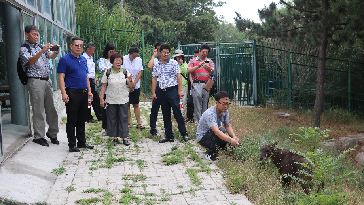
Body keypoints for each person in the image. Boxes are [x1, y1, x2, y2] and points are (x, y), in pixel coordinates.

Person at [19, 25, 60, 147]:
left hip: (47, 81)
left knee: (51, 108)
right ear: (26, 34)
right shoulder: (24, 49)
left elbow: (51, 56)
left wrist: (56, 51)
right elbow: (31, 61)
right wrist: (42, 51)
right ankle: (39, 136)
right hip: (35, 81)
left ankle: (53, 133)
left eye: (37, 34)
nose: (36, 37)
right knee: (38, 109)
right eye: (33, 34)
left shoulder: (40, 46)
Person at [58, 37, 94, 152]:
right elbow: (61, 77)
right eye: (77, 45)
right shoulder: (65, 60)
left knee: (82, 119)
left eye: (81, 45)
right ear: (71, 46)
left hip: (84, 93)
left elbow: (86, 76)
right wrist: (64, 93)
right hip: (72, 93)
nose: (79, 47)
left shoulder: (83, 59)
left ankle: (81, 142)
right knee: (72, 120)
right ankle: (72, 144)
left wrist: (89, 91)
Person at [152, 44, 189, 143]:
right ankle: (169, 135)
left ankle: (184, 134)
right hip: (162, 91)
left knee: (177, 112)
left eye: (168, 52)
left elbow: (179, 76)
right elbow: (154, 78)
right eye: (164, 52)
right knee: (165, 114)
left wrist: (180, 90)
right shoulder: (157, 64)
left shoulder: (173, 63)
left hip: (172, 91)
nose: (166, 54)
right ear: (160, 52)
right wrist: (153, 92)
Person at [100, 53, 134, 146]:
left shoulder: (125, 72)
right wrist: (101, 98)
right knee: (112, 118)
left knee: (123, 118)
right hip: (111, 99)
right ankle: (115, 137)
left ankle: (125, 138)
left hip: (123, 98)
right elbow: (103, 86)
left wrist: (130, 80)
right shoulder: (107, 72)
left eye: (120, 60)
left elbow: (132, 86)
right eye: (116, 60)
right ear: (112, 62)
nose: (119, 62)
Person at [196, 91, 239, 161]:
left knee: (231, 145)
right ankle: (210, 154)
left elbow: (227, 126)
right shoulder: (210, 113)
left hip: (215, 136)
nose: (226, 106)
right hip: (203, 138)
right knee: (221, 130)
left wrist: (234, 137)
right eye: (223, 104)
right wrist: (231, 139)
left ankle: (218, 149)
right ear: (217, 103)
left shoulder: (225, 111)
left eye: (227, 104)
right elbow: (216, 131)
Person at [187, 44, 215, 122]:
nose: (204, 53)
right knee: (197, 102)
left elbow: (213, 71)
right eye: (203, 51)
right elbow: (189, 70)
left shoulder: (209, 61)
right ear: (199, 51)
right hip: (196, 84)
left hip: (206, 84)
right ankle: (198, 120)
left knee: (205, 103)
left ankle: (204, 121)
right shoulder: (192, 61)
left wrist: (209, 68)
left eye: (206, 52)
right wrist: (197, 66)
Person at [123, 45, 145, 129]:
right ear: (129, 54)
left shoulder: (139, 60)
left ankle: (139, 123)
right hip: (126, 85)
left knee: (136, 104)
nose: (135, 57)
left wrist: (133, 84)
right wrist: (129, 84)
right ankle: (128, 123)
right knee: (127, 104)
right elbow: (123, 72)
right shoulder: (124, 59)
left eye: (136, 56)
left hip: (136, 85)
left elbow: (140, 72)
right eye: (133, 56)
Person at [82, 42, 102, 123]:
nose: (94, 52)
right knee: (89, 99)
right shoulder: (83, 58)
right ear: (88, 49)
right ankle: (88, 117)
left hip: (92, 80)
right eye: (93, 50)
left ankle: (100, 116)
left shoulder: (91, 58)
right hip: (86, 80)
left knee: (95, 98)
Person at [97, 43, 116, 131]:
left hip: (114, 87)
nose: (112, 53)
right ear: (107, 52)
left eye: (114, 52)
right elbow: (103, 69)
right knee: (105, 107)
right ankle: (106, 126)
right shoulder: (102, 60)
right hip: (105, 87)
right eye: (111, 52)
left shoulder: (116, 60)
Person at [147, 42, 164, 136]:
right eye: (157, 50)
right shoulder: (156, 60)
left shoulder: (169, 60)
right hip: (157, 86)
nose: (159, 52)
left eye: (161, 50)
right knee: (155, 108)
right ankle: (153, 129)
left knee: (166, 109)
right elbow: (149, 66)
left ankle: (167, 128)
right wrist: (153, 56)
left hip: (166, 87)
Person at [173, 49, 188, 117]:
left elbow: (186, 71)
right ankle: (174, 114)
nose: (179, 58)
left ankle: (182, 114)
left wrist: (182, 64)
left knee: (183, 101)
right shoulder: (173, 63)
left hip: (183, 85)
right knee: (174, 100)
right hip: (174, 85)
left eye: (180, 56)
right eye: (177, 56)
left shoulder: (184, 64)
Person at [186, 48, 199, 123]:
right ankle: (190, 118)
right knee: (190, 102)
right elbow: (191, 74)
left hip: (202, 86)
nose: (195, 58)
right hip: (193, 86)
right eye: (195, 56)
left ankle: (199, 118)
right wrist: (192, 84)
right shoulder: (192, 63)